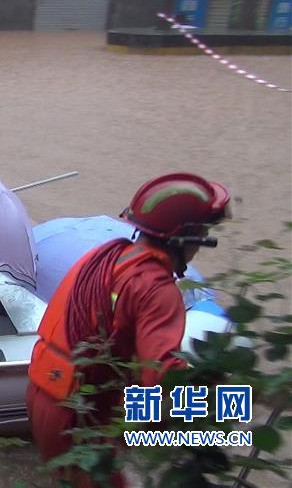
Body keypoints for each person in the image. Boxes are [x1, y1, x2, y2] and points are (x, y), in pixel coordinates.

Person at [25, 172, 231, 487]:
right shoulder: (157, 288)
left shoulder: (107, 255)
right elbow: (161, 378)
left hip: (46, 390)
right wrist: (218, 388)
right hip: (78, 412)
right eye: (202, 233)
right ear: (183, 237)